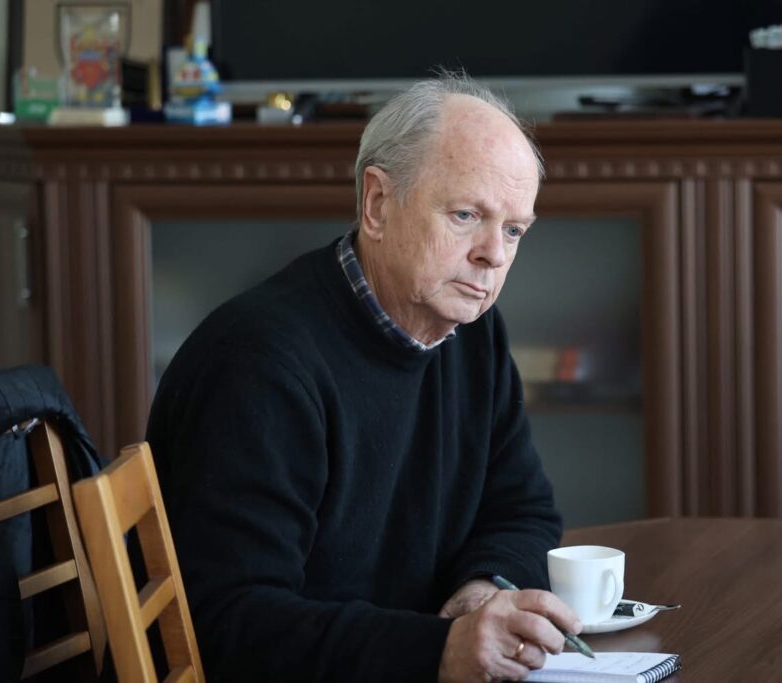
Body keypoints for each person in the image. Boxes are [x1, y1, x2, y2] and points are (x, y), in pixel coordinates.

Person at [147, 72, 581, 682]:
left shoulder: (474, 334)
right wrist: (439, 650)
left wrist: (480, 593)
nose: (495, 254)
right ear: (377, 204)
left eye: (513, 229)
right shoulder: (258, 364)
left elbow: (522, 510)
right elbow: (228, 624)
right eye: (466, 215)